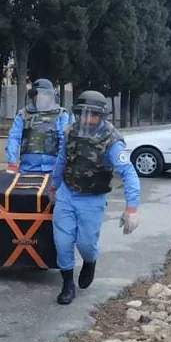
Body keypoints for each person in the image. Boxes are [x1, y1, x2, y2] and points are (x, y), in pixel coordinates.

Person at [48, 90, 141, 305]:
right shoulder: (70, 131)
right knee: (62, 242)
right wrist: (53, 188)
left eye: (94, 115)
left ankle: (90, 261)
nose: (88, 120)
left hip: (92, 199)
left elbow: (128, 172)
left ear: (102, 116)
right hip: (67, 194)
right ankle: (67, 284)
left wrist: (132, 209)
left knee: (86, 244)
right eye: (83, 114)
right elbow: (62, 160)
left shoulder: (112, 140)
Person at [5, 79, 73, 174]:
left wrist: (61, 165)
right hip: (27, 169)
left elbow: (64, 139)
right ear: (33, 96)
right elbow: (14, 138)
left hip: (53, 169)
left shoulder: (61, 114)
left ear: (51, 96)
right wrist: (12, 162)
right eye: (37, 94)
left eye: (45, 94)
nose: (40, 97)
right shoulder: (23, 115)